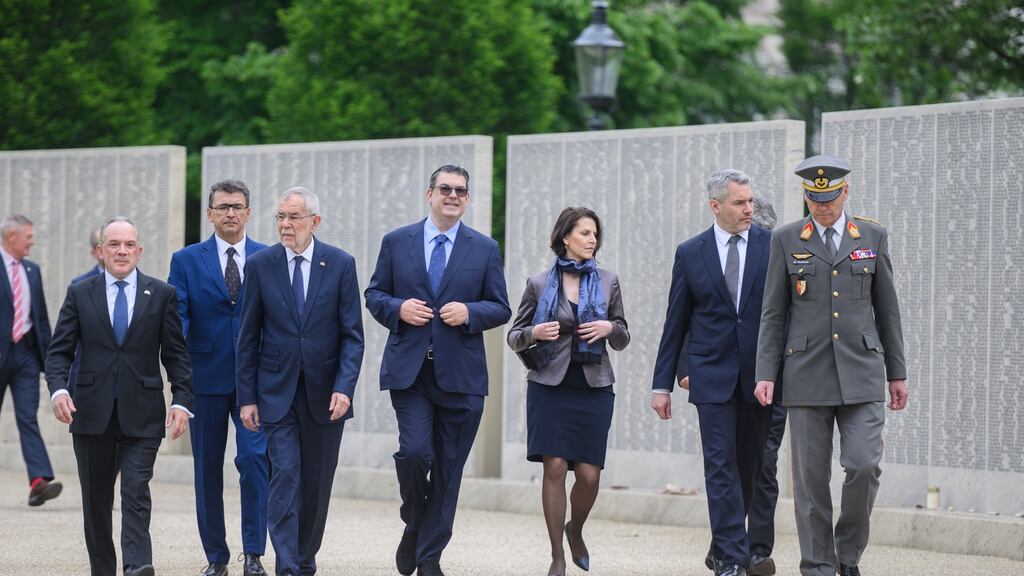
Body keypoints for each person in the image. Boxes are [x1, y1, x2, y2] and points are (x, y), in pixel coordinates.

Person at [753, 154, 907, 576]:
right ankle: (818, 565)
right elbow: (773, 313)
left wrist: (898, 373)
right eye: (815, 198)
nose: (823, 206)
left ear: (846, 192)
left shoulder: (872, 236)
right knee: (810, 481)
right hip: (805, 374)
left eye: (831, 197)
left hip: (862, 371)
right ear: (806, 195)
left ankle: (847, 555)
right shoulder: (786, 239)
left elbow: (887, 310)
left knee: (863, 465)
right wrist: (766, 373)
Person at [365, 165, 510, 576]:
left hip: (462, 378)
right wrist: (399, 309)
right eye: (445, 188)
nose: (452, 195)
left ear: (467, 198)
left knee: (448, 471)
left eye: (460, 191)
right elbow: (374, 293)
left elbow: (501, 307)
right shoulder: (397, 242)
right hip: (411, 375)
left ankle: (429, 556)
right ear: (429, 194)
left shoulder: (483, 248)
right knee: (413, 453)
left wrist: (469, 312)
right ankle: (414, 519)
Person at [46, 217, 194, 576]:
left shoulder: (162, 295)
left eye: (129, 244)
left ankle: (137, 566)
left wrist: (181, 400)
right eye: (114, 244)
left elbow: (176, 355)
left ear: (140, 251)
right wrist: (59, 390)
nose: (122, 251)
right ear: (101, 251)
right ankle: (103, 570)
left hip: (142, 415)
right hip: (91, 414)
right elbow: (59, 352)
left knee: (136, 492)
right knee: (96, 503)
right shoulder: (80, 293)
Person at [236, 187, 365, 576]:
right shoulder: (260, 265)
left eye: (294, 217)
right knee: (284, 477)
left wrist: (344, 387)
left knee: (316, 483)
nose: (285, 225)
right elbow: (248, 336)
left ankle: (305, 559)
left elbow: (352, 336)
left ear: (315, 222)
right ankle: (288, 566)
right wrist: (247, 398)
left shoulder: (340, 264)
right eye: (280, 217)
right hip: (276, 393)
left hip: (326, 396)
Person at [651, 170, 773, 576]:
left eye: (751, 201)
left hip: (760, 377)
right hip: (711, 374)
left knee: (751, 465)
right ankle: (732, 559)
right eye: (740, 203)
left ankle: (722, 545)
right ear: (715, 206)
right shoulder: (691, 252)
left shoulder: (770, 246)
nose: (749, 209)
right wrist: (662, 384)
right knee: (719, 464)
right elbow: (676, 321)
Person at [506, 207, 630, 576]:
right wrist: (534, 334)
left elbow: (623, 336)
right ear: (565, 238)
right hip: (549, 385)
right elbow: (515, 335)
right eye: (585, 233)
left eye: (595, 234)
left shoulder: (609, 281)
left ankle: (575, 529)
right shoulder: (540, 282)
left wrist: (610, 327)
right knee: (555, 466)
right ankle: (557, 555)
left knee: (589, 474)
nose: (592, 240)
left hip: (594, 385)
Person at [675, 197, 786, 574]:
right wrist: (683, 367)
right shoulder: (701, 254)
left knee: (761, 465)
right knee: (724, 464)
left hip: (770, 378)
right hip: (720, 377)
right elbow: (690, 319)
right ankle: (734, 552)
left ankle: (753, 547)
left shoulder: (775, 255)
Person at [168, 180, 269, 576]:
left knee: (254, 461)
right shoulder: (186, 260)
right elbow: (177, 321)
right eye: (223, 206)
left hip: (255, 383)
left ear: (248, 213)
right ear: (209, 213)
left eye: (238, 206)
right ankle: (216, 556)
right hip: (204, 380)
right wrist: (180, 381)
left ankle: (254, 553)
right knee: (207, 468)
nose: (230, 213)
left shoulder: (267, 256)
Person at [0, 214, 60, 507]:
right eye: (28, 237)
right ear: (12, 237)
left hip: (25, 355)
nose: (32, 242)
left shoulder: (32, 270)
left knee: (27, 416)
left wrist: (50, 364)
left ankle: (38, 481)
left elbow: (42, 320)